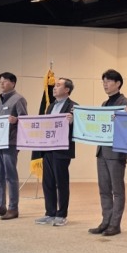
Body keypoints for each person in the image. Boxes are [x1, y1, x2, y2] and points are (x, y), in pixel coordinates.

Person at [89, 70, 127, 237]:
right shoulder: (104, 104)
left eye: (108, 81)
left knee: (117, 190)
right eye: (103, 81)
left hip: (116, 152)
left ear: (118, 83)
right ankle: (105, 221)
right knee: (103, 189)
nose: (105, 84)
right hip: (102, 151)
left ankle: (115, 224)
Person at [0, 73, 27, 220]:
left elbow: (26, 121)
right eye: (0, 82)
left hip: (10, 142)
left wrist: (16, 120)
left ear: (13, 83)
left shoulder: (18, 99)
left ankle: (13, 208)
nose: (1, 84)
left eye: (5, 82)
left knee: (10, 176)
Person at [35, 77, 76, 227]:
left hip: (62, 150)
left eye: (58, 85)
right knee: (48, 182)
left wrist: (74, 121)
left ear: (67, 90)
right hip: (48, 149)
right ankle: (50, 212)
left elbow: (81, 128)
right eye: (55, 85)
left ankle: (62, 214)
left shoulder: (74, 107)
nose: (54, 87)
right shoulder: (50, 106)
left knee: (61, 182)